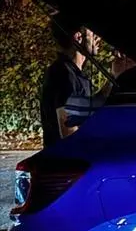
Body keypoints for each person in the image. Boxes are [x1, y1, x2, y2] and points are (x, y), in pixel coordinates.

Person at [39, 19, 100, 149]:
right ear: (78, 37)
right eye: (92, 34)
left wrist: (115, 76)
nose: (98, 39)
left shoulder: (73, 73)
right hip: (65, 160)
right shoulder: (64, 74)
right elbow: (69, 132)